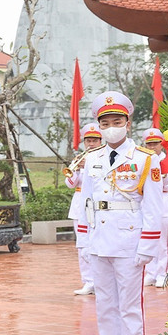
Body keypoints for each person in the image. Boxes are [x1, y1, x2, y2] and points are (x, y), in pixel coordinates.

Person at [80, 92, 164, 335]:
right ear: (98, 126)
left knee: (130, 309)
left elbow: (153, 206)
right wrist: (87, 240)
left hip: (130, 240)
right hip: (100, 240)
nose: (111, 127)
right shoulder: (92, 159)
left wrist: (148, 245)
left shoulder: (145, 159)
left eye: (117, 121)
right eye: (106, 122)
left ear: (128, 123)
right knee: (105, 308)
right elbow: (86, 202)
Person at [64, 123, 102, 296]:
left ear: (101, 141)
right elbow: (70, 184)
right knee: (82, 245)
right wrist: (77, 170)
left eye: (94, 140)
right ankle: (88, 281)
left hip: (98, 205)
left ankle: (101, 282)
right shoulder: (79, 158)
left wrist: (88, 167)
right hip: (79, 205)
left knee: (100, 244)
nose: (91, 143)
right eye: (88, 140)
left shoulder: (104, 158)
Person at [143, 128, 168, 289]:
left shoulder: (167, 160)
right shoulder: (144, 160)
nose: (152, 146)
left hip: (162, 199)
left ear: (161, 144)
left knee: (162, 242)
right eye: (149, 144)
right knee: (149, 238)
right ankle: (151, 272)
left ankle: (163, 273)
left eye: (155, 143)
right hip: (147, 201)